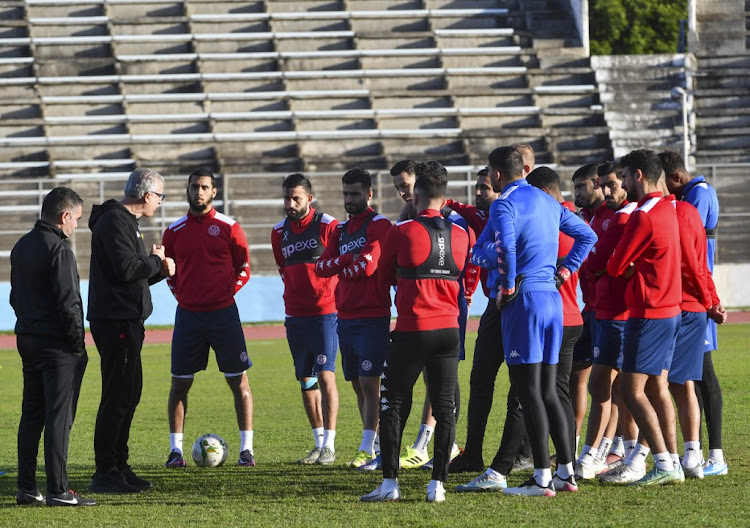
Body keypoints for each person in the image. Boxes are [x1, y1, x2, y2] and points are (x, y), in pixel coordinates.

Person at [471, 146, 596, 497]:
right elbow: (588, 236)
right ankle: (565, 473)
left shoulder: (503, 204)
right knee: (551, 391)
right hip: (553, 300)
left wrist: (507, 283)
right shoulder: (547, 201)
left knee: (529, 391)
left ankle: (542, 478)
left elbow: (504, 248)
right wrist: (565, 271)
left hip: (523, 301)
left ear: (496, 175)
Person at [361, 163, 472, 503]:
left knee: (392, 404)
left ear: (418, 196)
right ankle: (437, 486)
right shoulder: (462, 234)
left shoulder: (402, 230)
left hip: (412, 329)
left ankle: (390, 484)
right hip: (449, 330)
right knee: (445, 408)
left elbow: (381, 277)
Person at [385, 160, 476, 470]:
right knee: (434, 378)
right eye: (397, 187)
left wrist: (468, 291)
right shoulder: (410, 221)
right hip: (438, 311)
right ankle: (434, 449)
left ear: (421, 189)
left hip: (439, 309)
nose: (402, 193)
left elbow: (469, 261)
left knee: (437, 382)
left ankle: (430, 444)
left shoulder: (448, 223)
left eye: (406, 186)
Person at [161, 169, 255, 468]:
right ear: (187, 190)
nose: (198, 192)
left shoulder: (229, 227)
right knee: (179, 384)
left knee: (239, 382)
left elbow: (244, 267)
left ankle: (246, 450)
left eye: (204, 187)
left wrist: (225, 294)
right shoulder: (173, 232)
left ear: (214, 191)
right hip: (188, 317)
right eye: (193, 187)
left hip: (224, 315)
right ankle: (176, 452)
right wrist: (182, 296)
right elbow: (169, 272)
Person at [88, 168, 174, 493]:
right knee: (117, 394)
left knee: (130, 393)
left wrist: (158, 270)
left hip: (127, 319)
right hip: (116, 321)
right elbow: (127, 270)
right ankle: (105, 471)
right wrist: (156, 261)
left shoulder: (128, 224)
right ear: (147, 195)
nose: (160, 204)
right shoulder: (114, 222)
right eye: (160, 197)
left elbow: (133, 275)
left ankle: (119, 465)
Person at [11, 187, 96, 507]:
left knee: (31, 415)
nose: (76, 225)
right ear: (63, 216)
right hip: (57, 347)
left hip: (28, 341)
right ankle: (59, 490)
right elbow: (70, 305)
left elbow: (14, 298)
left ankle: (26, 488)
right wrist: (77, 346)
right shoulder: (59, 251)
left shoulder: (21, 246)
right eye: (76, 218)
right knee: (59, 418)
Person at [606, 149, 683, 486]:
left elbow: (614, 266)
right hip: (671, 311)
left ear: (637, 175)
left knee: (629, 389)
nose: (621, 183)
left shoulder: (643, 215)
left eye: (623, 176)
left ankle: (664, 463)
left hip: (648, 313)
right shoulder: (670, 208)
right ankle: (674, 459)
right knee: (656, 387)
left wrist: (631, 269)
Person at [315, 168, 392, 468]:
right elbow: (321, 268)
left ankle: (366, 447)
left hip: (372, 315)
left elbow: (369, 267)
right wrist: (348, 260)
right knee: (358, 385)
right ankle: (373, 444)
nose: (349, 199)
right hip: (344, 316)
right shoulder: (340, 231)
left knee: (370, 383)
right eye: (346, 193)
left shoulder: (379, 224)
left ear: (369, 194)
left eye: (355, 193)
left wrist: (343, 265)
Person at [660, 150, 728, 476]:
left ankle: (713, 454)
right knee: (692, 376)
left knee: (702, 374)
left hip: (697, 298)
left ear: (674, 177)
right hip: (695, 296)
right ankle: (699, 452)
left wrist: (709, 298)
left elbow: (687, 244)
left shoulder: (697, 196)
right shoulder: (691, 195)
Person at [578, 161, 641, 483]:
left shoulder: (627, 217)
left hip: (618, 313)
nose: (606, 191)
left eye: (613, 184)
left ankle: (595, 454)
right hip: (603, 309)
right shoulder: (612, 216)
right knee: (617, 390)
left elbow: (598, 261)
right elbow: (595, 263)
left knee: (607, 386)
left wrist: (597, 264)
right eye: (603, 185)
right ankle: (622, 453)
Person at [271, 173, 340, 464]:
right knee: (305, 379)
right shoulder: (277, 232)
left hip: (325, 312)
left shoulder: (328, 225)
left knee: (326, 376)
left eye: (296, 198)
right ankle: (317, 442)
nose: (290, 203)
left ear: (309, 199)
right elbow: (282, 269)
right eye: (287, 197)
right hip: (295, 315)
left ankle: (330, 445)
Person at [569, 163, 608, 456]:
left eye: (581, 186)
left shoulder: (612, 216)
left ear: (597, 184)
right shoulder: (585, 218)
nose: (577, 193)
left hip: (609, 310)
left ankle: (611, 448)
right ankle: (571, 444)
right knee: (576, 374)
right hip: (589, 308)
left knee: (610, 385)